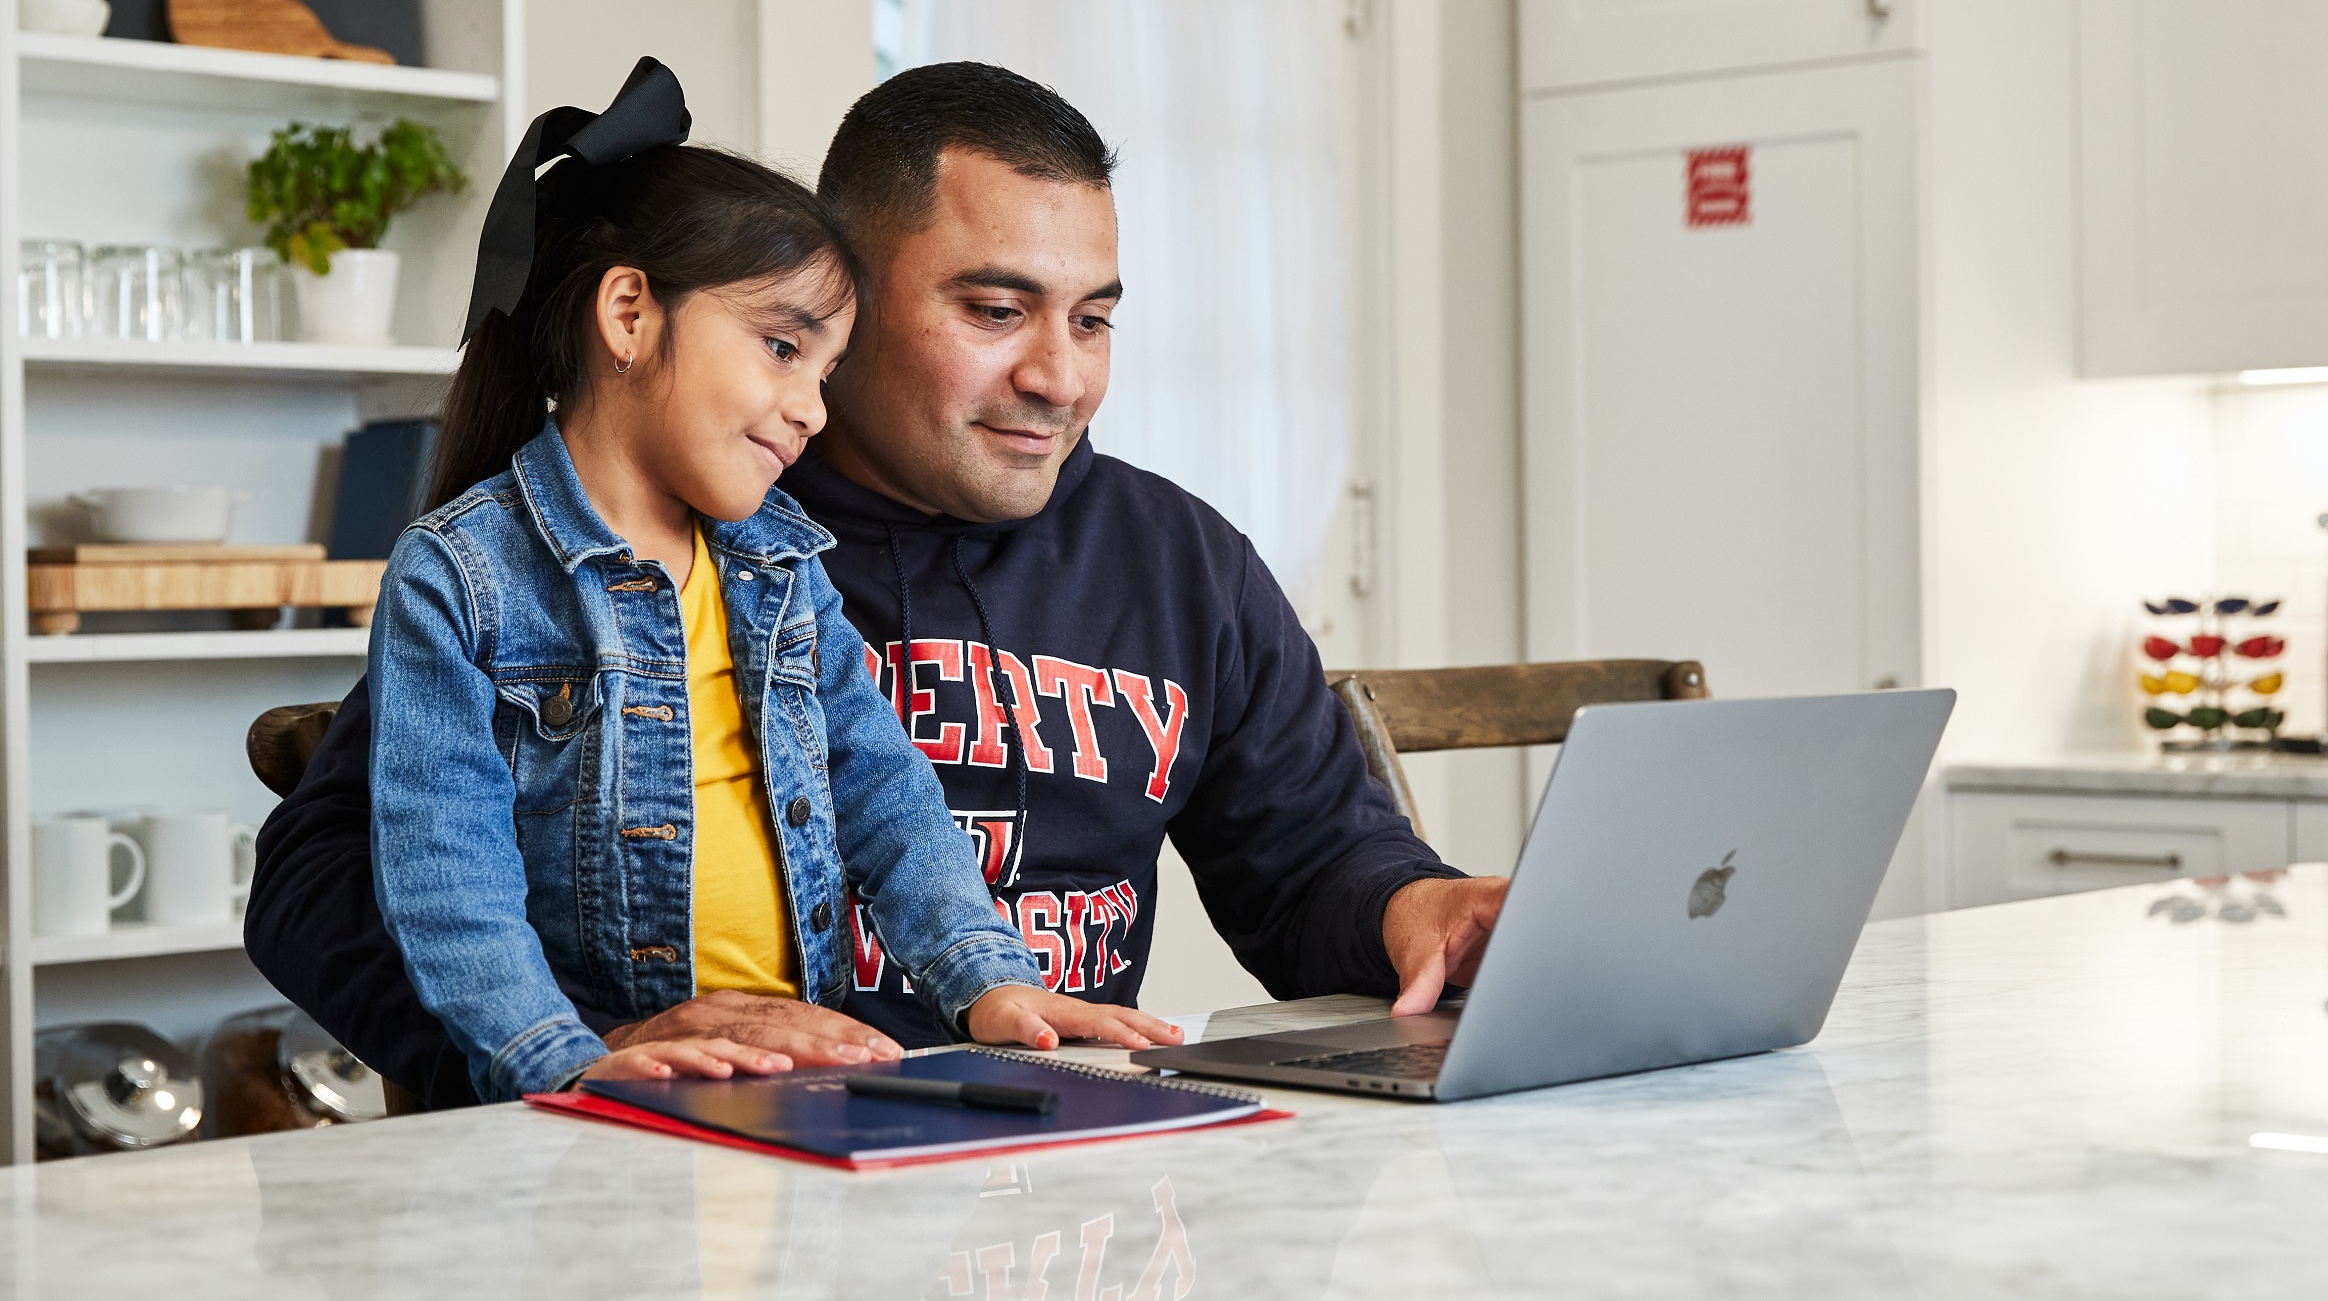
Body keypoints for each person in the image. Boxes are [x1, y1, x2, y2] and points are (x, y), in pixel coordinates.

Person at [248, 61, 1505, 1105]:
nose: (1060, 378)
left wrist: (1417, 906)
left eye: (1093, 320)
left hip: (1049, 1173)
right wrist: (591, 1046)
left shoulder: (1178, 562)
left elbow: (1309, 859)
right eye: (996, 310)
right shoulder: (662, 539)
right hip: (722, 1158)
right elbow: (325, 885)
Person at [358, 58, 1175, 1101]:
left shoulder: (779, 563)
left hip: (803, 1086)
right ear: (629, 314)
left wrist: (987, 981)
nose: (811, 409)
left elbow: (887, 793)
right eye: (782, 348)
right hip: (611, 1100)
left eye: (823, 371)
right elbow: (447, 877)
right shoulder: (461, 577)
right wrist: (563, 1058)